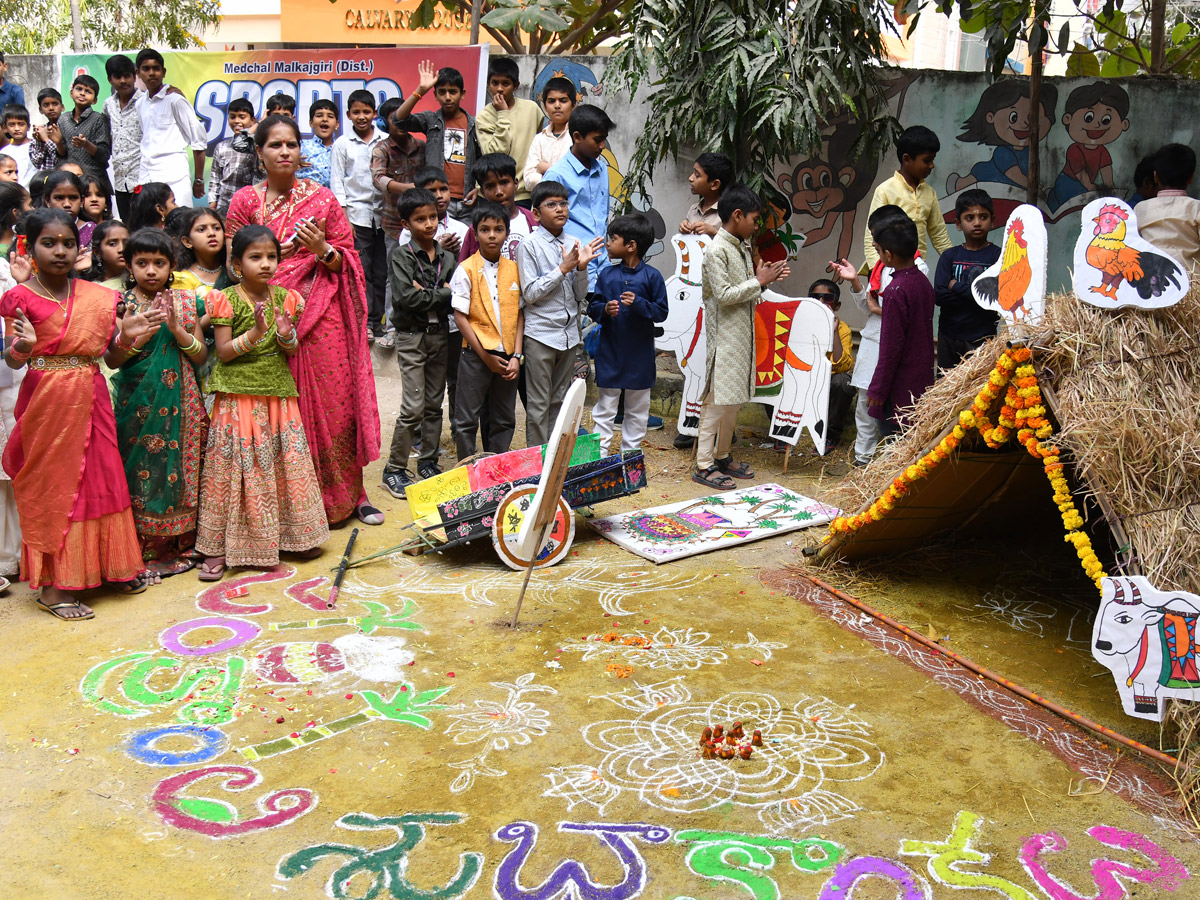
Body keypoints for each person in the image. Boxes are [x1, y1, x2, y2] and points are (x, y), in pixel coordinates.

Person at [1, 209, 161, 619]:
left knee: (103, 479)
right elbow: (14, 361)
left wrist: (127, 337)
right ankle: (55, 590)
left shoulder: (101, 297)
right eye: (49, 243)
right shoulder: (20, 298)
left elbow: (112, 356)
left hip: (92, 398)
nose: (59, 251)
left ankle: (112, 566)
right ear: (31, 247)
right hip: (47, 405)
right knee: (56, 489)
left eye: (68, 243)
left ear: (79, 248)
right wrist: (26, 345)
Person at [225, 114, 383, 526]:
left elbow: (348, 261)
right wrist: (268, 274)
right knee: (276, 412)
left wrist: (322, 248)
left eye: (291, 144)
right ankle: (292, 503)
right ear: (259, 153)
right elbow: (231, 263)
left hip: (320, 313)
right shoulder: (245, 200)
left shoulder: (323, 199)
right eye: (275, 145)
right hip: (265, 313)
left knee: (336, 404)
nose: (284, 152)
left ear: (301, 151)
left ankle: (350, 494)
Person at [196, 224, 329, 579]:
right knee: (238, 468)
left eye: (271, 256)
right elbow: (223, 353)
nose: (266, 264)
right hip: (238, 397)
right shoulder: (225, 298)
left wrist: (286, 336)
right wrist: (255, 333)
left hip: (278, 394)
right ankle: (219, 548)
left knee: (283, 463)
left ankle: (290, 536)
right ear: (237, 264)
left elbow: (291, 350)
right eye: (256, 257)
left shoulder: (287, 298)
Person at [110, 228, 209, 576]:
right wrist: (137, 336)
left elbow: (200, 356)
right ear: (128, 265)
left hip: (183, 404)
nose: (151, 271)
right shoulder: (121, 305)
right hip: (137, 405)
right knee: (140, 472)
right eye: (142, 263)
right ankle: (146, 548)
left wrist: (177, 330)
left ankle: (182, 542)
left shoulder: (184, 302)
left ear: (172, 266)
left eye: (159, 263)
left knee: (181, 469)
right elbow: (113, 360)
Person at [692, 185, 788, 489]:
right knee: (716, 402)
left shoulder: (741, 246)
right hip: (724, 339)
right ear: (737, 215)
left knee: (732, 401)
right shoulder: (717, 249)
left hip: (741, 337)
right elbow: (722, 295)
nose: (757, 225)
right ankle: (704, 464)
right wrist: (758, 282)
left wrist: (763, 279)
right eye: (755, 218)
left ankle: (722, 456)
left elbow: (747, 288)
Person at [831, 205, 929, 467]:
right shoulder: (886, 268)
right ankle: (864, 459)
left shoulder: (910, 275)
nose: (873, 243)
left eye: (876, 239)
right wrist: (856, 283)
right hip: (877, 340)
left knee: (895, 413)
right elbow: (871, 308)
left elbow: (897, 325)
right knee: (865, 405)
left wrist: (878, 308)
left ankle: (889, 468)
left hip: (893, 350)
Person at [381, 188, 457, 496]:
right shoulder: (400, 255)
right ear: (405, 224)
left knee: (434, 404)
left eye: (433, 218)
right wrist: (443, 292)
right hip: (411, 336)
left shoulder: (447, 257)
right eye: (420, 219)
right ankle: (394, 469)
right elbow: (405, 298)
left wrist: (429, 294)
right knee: (413, 406)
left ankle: (427, 461)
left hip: (440, 336)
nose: (428, 224)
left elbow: (456, 297)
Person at [515, 180, 601, 447]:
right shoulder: (528, 245)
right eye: (551, 204)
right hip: (540, 334)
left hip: (567, 335)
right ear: (537, 213)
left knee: (559, 399)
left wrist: (582, 269)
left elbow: (578, 295)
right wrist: (562, 269)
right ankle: (536, 463)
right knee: (539, 404)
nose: (560, 209)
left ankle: (553, 457)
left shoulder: (574, 242)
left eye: (563, 203)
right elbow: (529, 293)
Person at [588, 213, 668, 454]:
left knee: (638, 408)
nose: (608, 243)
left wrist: (639, 304)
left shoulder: (652, 276)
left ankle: (630, 454)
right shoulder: (606, 275)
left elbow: (661, 312)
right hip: (610, 353)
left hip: (640, 356)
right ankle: (599, 457)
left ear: (631, 246)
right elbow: (593, 308)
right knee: (605, 407)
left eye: (613, 238)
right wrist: (604, 309)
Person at [450, 203, 523, 459]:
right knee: (467, 418)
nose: (492, 235)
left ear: (507, 232)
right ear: (475, 232)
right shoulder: (466, 269)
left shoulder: (514, 269)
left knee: (504, 417)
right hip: (476, 354)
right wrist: (485, 357)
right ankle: (468, 470)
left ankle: (497, 469)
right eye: (485, 229)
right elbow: (461, 318)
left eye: (498, 229)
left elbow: (520, 314)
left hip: (508, 355)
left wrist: (517, 356)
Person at [868, 216, 936, 435]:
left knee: (896, 443)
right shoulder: (922, 281)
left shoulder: (896, 290)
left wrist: (877, 390)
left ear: (888, 254)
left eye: (878, 250)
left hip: (900, 386)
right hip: (920, 379)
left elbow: (890, 348)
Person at [331, 90, 387, 346]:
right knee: (361, 272)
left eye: (367, 112)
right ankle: (363, 324)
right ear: (348, 115)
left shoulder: (385, 140)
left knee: (381, 272)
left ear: (374, 114)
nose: (362, 117)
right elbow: (337, 182)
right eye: (356, 112)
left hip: (384, 217)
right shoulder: (342, 144)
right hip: (356, 217)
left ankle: (380, 323)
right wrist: (345, 217)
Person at [392, 60, 480, 220]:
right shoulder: (430, 119)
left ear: (463, 94)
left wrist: (479, 188)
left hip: (468, 201)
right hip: (435, 199)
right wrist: (420, 90)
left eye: (453, 92)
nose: (447, 97)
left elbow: (483, 160)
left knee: (465, 244)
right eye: (442, 92)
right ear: (435, 95)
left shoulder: (475, 124)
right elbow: (398, 120)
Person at [370, 97, 425, 346]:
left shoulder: (422, 146)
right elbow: (379, 179)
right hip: (394, 223)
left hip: (424, 223)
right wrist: (412, 188)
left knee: (423, 272)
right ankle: (392, 328)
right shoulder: (381, 149)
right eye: (392, 118)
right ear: (384, 121)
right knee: (394, 276)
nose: (399, 122)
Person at [863, 124, 952, 271]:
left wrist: (954, 264)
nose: (932, 165)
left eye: (933, 160)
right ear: (907, 159)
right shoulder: (885, 190)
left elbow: (939, 235)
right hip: (889, 270)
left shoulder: (930, 193)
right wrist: (877, 273)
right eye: (927, 160)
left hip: (918, 268)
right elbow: (871, 236)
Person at [544, 104, 614, 289]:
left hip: (603, 270)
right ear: (577, 137)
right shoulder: (556, 175)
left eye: (604, 139)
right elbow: (546, 230)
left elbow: (602, 218)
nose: (602, 146)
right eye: (597, 140)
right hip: (574, 273)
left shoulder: (603, 170)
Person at [934, 189, 1000, 371]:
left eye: (983, 217)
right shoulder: (949, 256)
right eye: (969, 218)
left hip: (983, 338)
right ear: (958, 223)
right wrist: (976, 297)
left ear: (993, 221)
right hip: (949, 336)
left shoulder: (998, 258)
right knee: (945, 388)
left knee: (980, 391)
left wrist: (954, 284)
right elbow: (939, 296)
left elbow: (993, 298)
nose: (977, 223)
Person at [135, 48, 208, 209]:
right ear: (138, 73)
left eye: (156, 68)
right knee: (151, 225)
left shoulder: (175, 100)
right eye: (146, 69)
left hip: (174, 175)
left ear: (164, 72)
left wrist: (199, 179)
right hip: (147, 174)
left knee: (180, 222)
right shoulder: (140, 104)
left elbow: (199, 141)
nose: (152, 73)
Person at [477, 56, 542, 207]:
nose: (499, 88)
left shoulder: (532, 110)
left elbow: (538, 144)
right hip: (493, 193)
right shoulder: (484, 116)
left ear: (516, 85)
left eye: (505, 83)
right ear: (488, 85)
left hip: (523, 193)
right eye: (495, 83)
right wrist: (503, 113)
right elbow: (496, 155)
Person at [458, 153, 536, 262]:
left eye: (504, 182)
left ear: (515, 183)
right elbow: (465, 270)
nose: (499, 192)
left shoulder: (533, 221)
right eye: (490, 186)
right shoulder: (477, 228)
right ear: (482, 192)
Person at [1135, 143, 1200, 272]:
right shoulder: (1196, 208)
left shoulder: (1140, 209)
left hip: (1154, 285)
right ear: (1192, 177)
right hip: (1192, 283)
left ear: (1156, 177)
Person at [808, 279, 854, 449]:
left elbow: (843, 366)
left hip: (827, 382)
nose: (821, 302)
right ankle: (782, 434)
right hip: (803, 379)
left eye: (827, 298)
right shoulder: (799, 323)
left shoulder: (842, 329)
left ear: (837, 304)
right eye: (815, 297)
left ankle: (831, 436)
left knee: (843, 382)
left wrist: (833, 331)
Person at [55, 74, 111, 195]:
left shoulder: (99, 119)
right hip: (70, 181)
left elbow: (104, 154)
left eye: (88, 91)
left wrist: (86, 145)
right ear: (71, 93)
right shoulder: (63, 119)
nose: (82, 93)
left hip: (95, 181)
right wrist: (58, 142)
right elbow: (62, 155)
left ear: (95, 100)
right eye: (79, 89)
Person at [103, 54, 143, 221]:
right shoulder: (108, 105)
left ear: (135, 76)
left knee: (145, 226)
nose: (123, 81)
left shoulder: (145, 102)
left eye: (127, 76)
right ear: (110, 79)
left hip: (141, 177)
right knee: (127, 226)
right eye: (117, 77)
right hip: (120, 179)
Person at [523, 76, 575, 197]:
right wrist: (561, 174)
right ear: (545, 106)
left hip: (571, 206)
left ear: (574, 104)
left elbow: (576, 179)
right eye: (551, 101)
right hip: (542, 208)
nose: (557, 105)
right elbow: (529, 181)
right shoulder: (539, 139)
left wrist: (545, 168)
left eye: (563, 100)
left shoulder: (578, 138)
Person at [208, 97, 258, 216]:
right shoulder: (221, 147)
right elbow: (215, 178)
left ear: (252, 121)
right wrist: (212, 204)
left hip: (249, 205)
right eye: (232, 117)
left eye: (242, 117)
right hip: (223, 205)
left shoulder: (256, 147)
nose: (236, 121)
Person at [42, 169, 94, 273]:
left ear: (82, 201)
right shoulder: (39, 231)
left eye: (73, 198)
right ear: (48, 201)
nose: (67, 204)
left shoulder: (93, 231)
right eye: (59, 198)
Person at [173, 206, 229, 299]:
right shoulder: (182, 280)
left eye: (216, 228)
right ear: (187, 242)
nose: (211, 233)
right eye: (202, 229)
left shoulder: (234, 272)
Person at [679, 152, 733, 237]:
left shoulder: (731, 214)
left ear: (715, 184)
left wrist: (714, 232)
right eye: (693, 173)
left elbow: (743, 249)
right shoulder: (693, 210)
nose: (690, 178)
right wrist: (683, 230)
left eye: (697, 175)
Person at [297, 98, 338, 188]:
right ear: (311, 123)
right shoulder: (300, 147)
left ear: (337, 125)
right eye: (319, 116)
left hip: (335, 199)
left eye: (330, 116)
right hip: (306, 199)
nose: (325, 119)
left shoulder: (342, 147)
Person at [86, 220, 129, 288]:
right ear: (97, 251)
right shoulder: (90, 287)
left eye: (126, 243)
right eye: (112, 244)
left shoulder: (138, 283)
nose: (121, 249)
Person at [29, 89, 63, 173]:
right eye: (46, 105)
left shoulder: (68, 129)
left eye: (55, 104)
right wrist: (40, 142)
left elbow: (61, 161)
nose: (51, 108)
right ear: (41, 110)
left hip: (62, 179)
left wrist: (46, 140)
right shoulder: (40, 131)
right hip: (45, 180)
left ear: (62, 107)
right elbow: (36, 163)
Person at [2, 105, 32, 187]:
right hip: (12, 193)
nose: (17, 128)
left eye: (21, 124)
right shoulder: (4, 152)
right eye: (12, 125)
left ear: (28, 126)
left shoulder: (36, 147)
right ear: (5, 127)